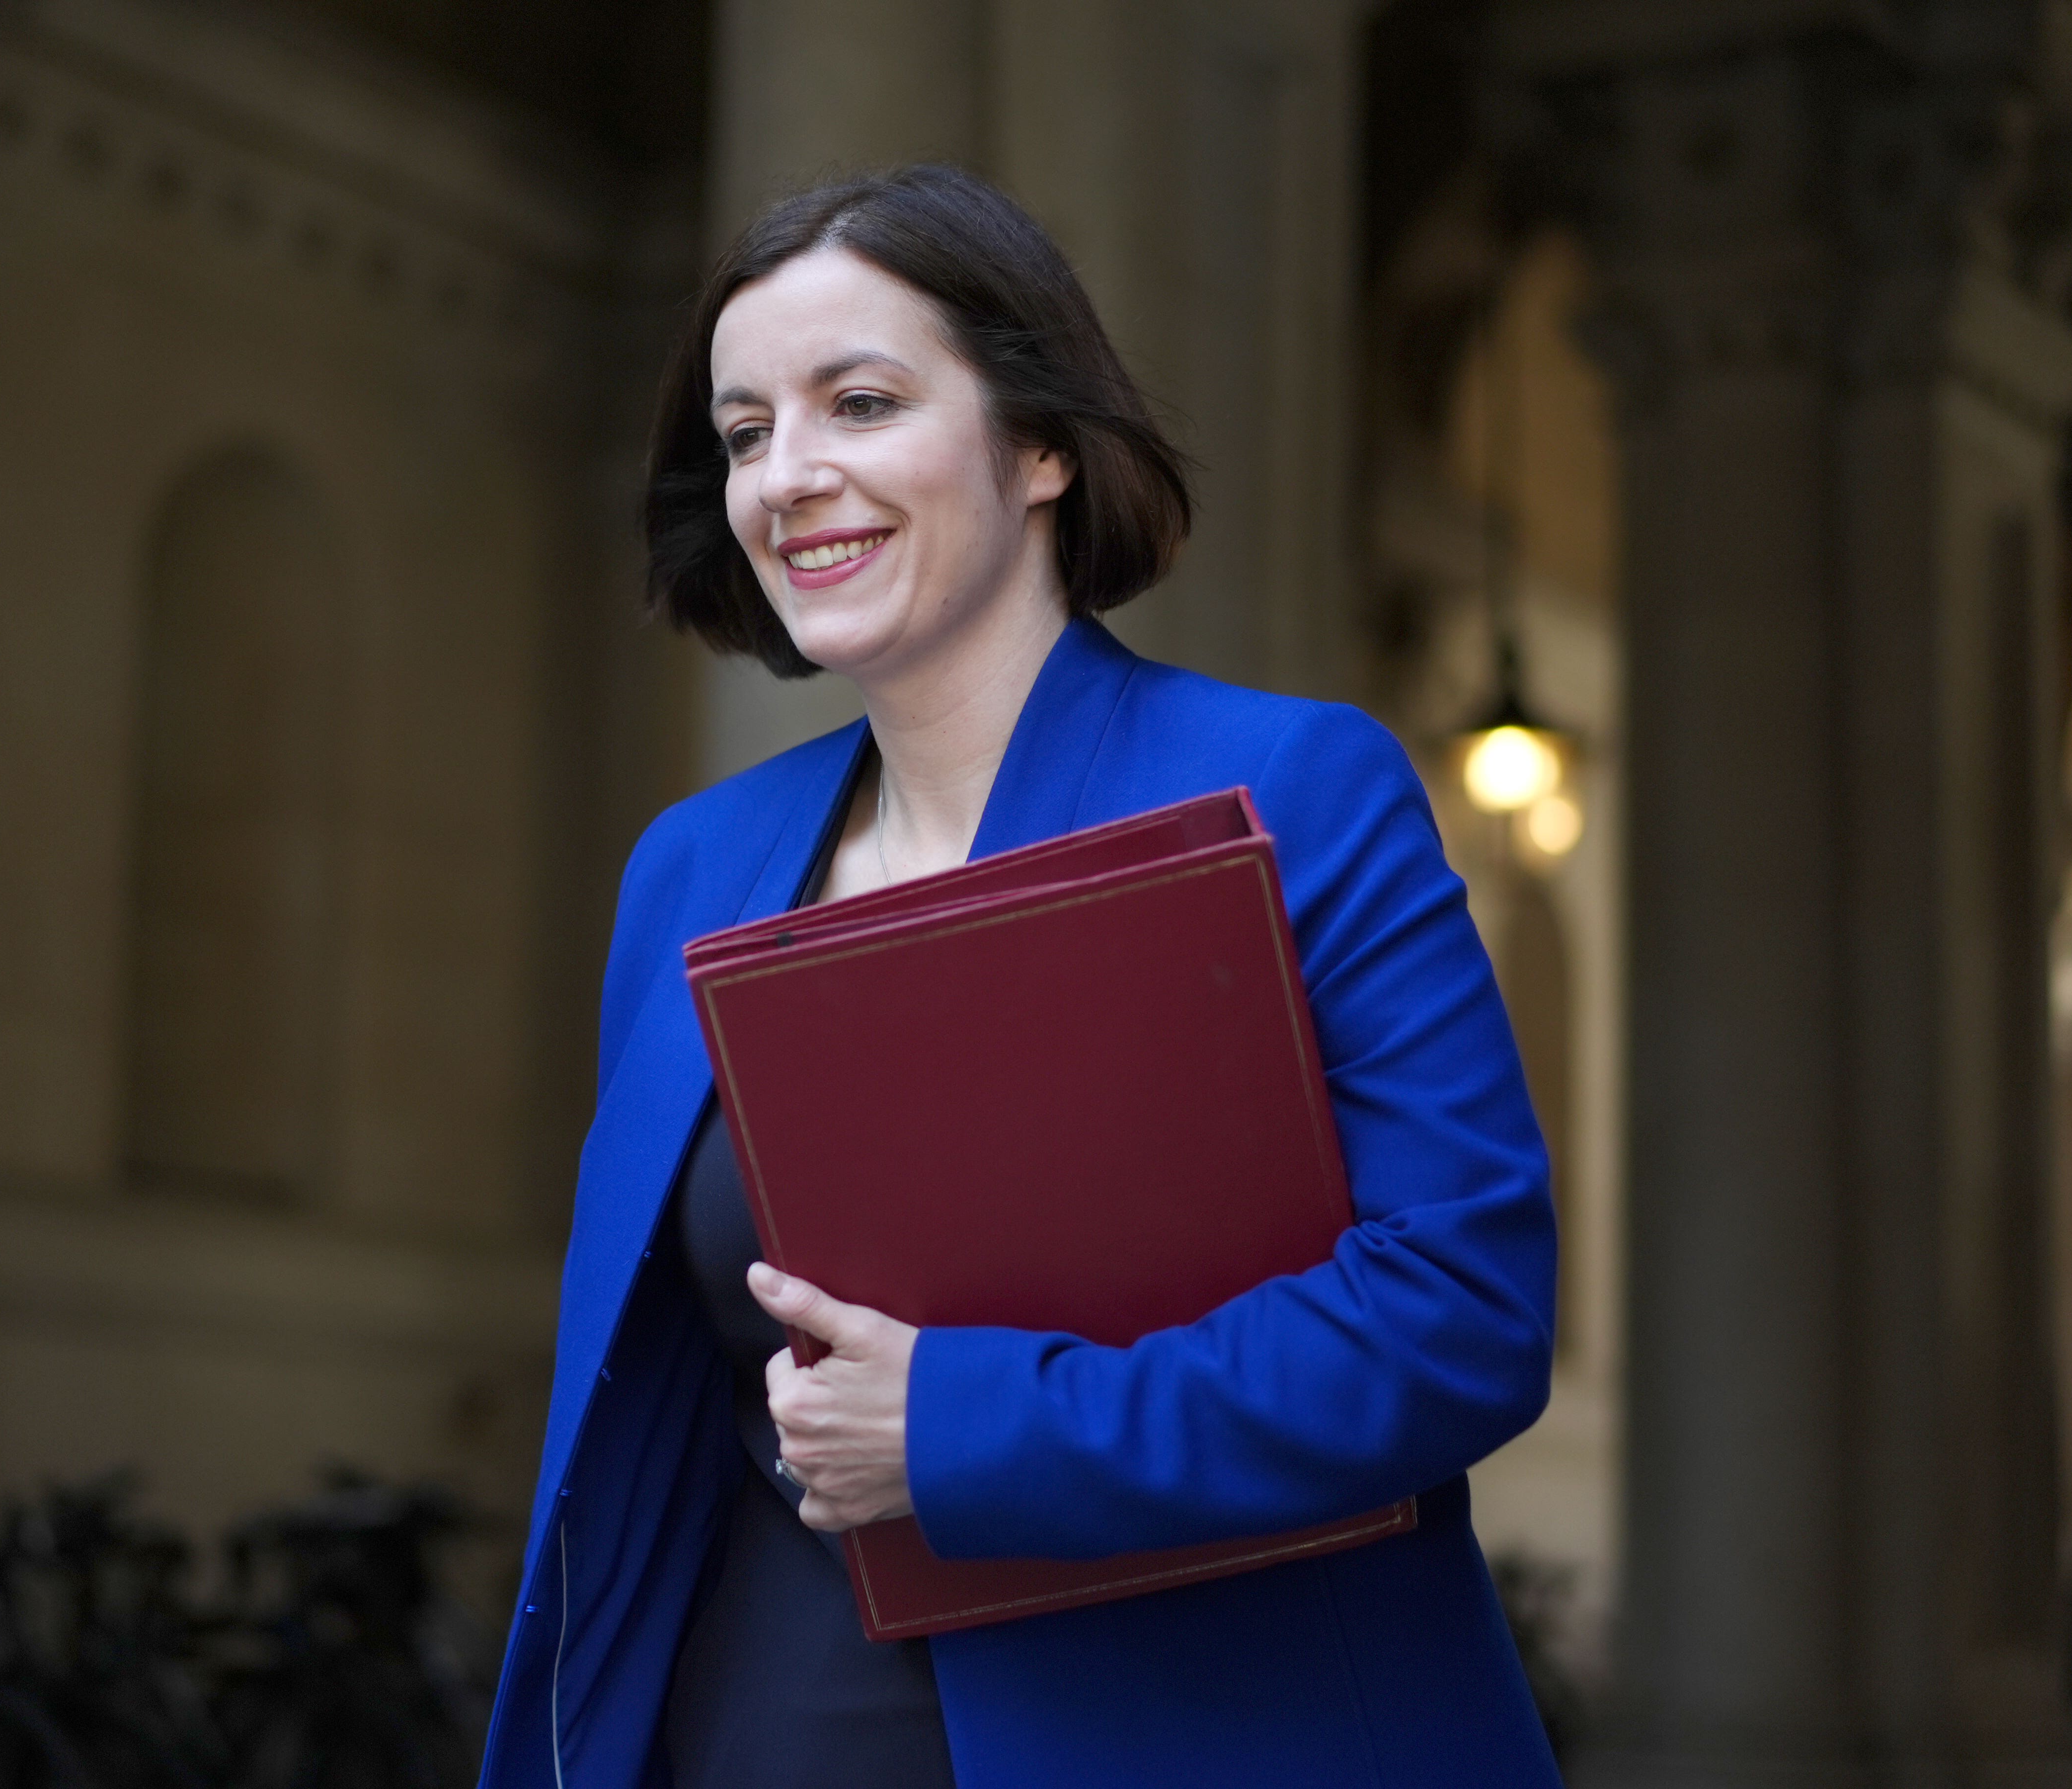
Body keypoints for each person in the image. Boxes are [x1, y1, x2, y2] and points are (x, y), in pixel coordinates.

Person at [477, 164, 1562, 1788]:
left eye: (859, 402)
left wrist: (967, 1429)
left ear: (1042, 445)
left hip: (1206, 1723)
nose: (789, 477)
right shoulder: (689, 868)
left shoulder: (1288, 787)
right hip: (755, 1717)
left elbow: (1460, 1314)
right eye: (747, 431)